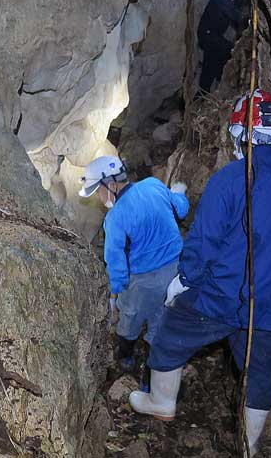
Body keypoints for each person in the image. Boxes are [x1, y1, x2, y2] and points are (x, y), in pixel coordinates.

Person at [128, 90, 271, 456]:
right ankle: (249, 444)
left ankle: (161, 402)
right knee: (260, 372)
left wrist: (185, 279)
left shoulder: (230, 178)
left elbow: (205, 239)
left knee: (172, 333)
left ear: (239, 132)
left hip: (219, 296)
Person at [79, 156, 190, 377]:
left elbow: (116, 263)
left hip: (144, 282)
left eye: (98, 192)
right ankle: (152, 374)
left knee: (130, 319)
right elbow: (182, 210)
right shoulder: (153, 185)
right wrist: (179, 194)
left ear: (110, 184)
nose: (100, 199)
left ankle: (127, 359)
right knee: (161, 320)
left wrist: (114, 295)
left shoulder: (115, 218)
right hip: (176, 270)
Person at [197, 0, 250, 94]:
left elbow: (241, 11)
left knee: (210, 67)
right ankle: (221, 88)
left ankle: (202, 98)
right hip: (206, 33)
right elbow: (231, 12)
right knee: (228, 50)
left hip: (214, 36)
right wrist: (241, 17)